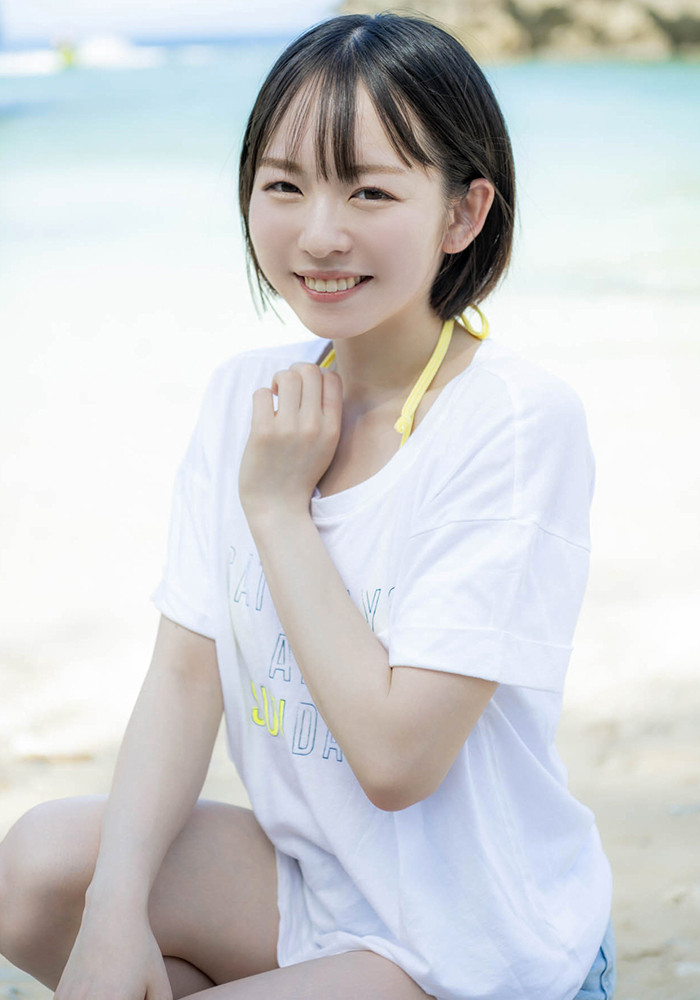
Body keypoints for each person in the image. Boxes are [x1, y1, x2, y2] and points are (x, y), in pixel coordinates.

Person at [0, 13, 616, 1000]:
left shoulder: (510, 421)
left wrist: (280, 509)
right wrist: (114, 913)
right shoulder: (247, 394)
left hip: (473, 947)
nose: (319, 233)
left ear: (462, 214)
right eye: (284, 185)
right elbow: (184, 676)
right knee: (39, 872)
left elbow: (395, 760)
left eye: (369, 190)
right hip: (313, 885)